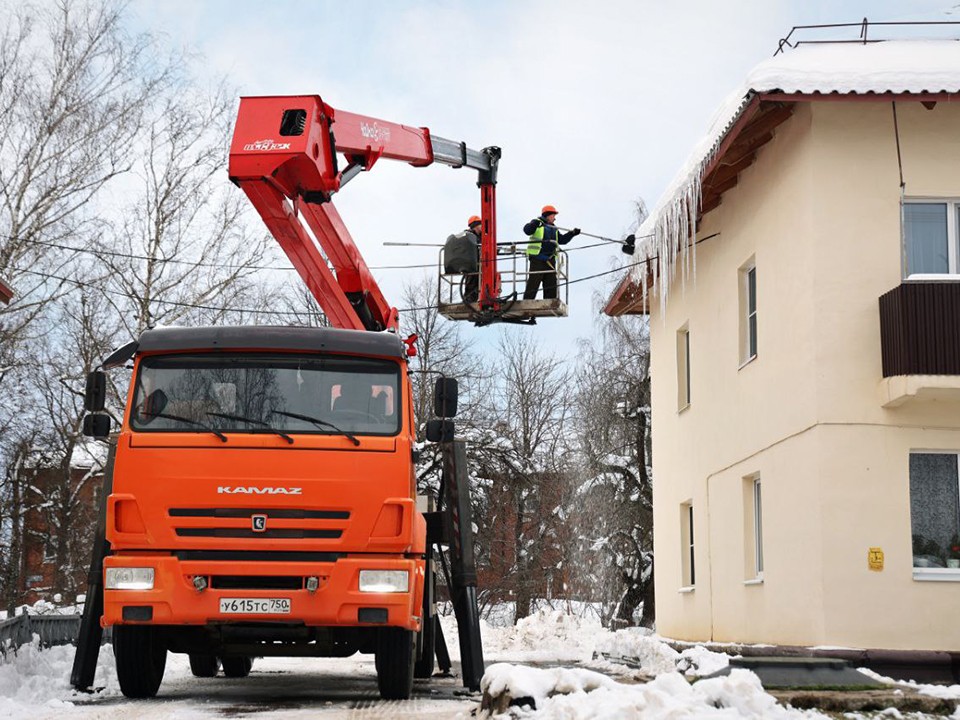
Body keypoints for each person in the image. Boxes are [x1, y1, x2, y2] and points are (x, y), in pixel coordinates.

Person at [522, 205, 580, 300]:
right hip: (537, 259)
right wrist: (534, 224)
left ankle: (550, 302)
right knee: (533, 284)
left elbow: (562, 240)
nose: (554, 218)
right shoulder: (537, 223)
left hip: (550, 260)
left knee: (551, 284)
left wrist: (572, 233)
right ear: (547, 215)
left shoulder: (553, 228)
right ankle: (527, 302)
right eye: (553, 215)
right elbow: (527, 230)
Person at [443, 215, 483, 302]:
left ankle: (474, 299)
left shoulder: (475, 237)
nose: (482, 227)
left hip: (476, 265)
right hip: (472, 265)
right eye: (481, 225)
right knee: (472, 283)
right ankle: (468, 300)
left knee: (479, 282)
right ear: (476, 225)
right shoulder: (470, 237)